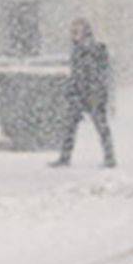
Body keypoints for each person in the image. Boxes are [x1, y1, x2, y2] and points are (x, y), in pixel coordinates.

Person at [50, 19, 116, 168]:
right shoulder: (78, 50)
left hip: (92, 95)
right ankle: (66, 157)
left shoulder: (93, 49)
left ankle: (109, 157)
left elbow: (98, 74)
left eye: (76, 31)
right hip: (80, 95)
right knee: (71, 127)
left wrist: (96, 92)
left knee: (100, 127)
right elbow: (78, 74)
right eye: (72, 31)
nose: (73, 34)